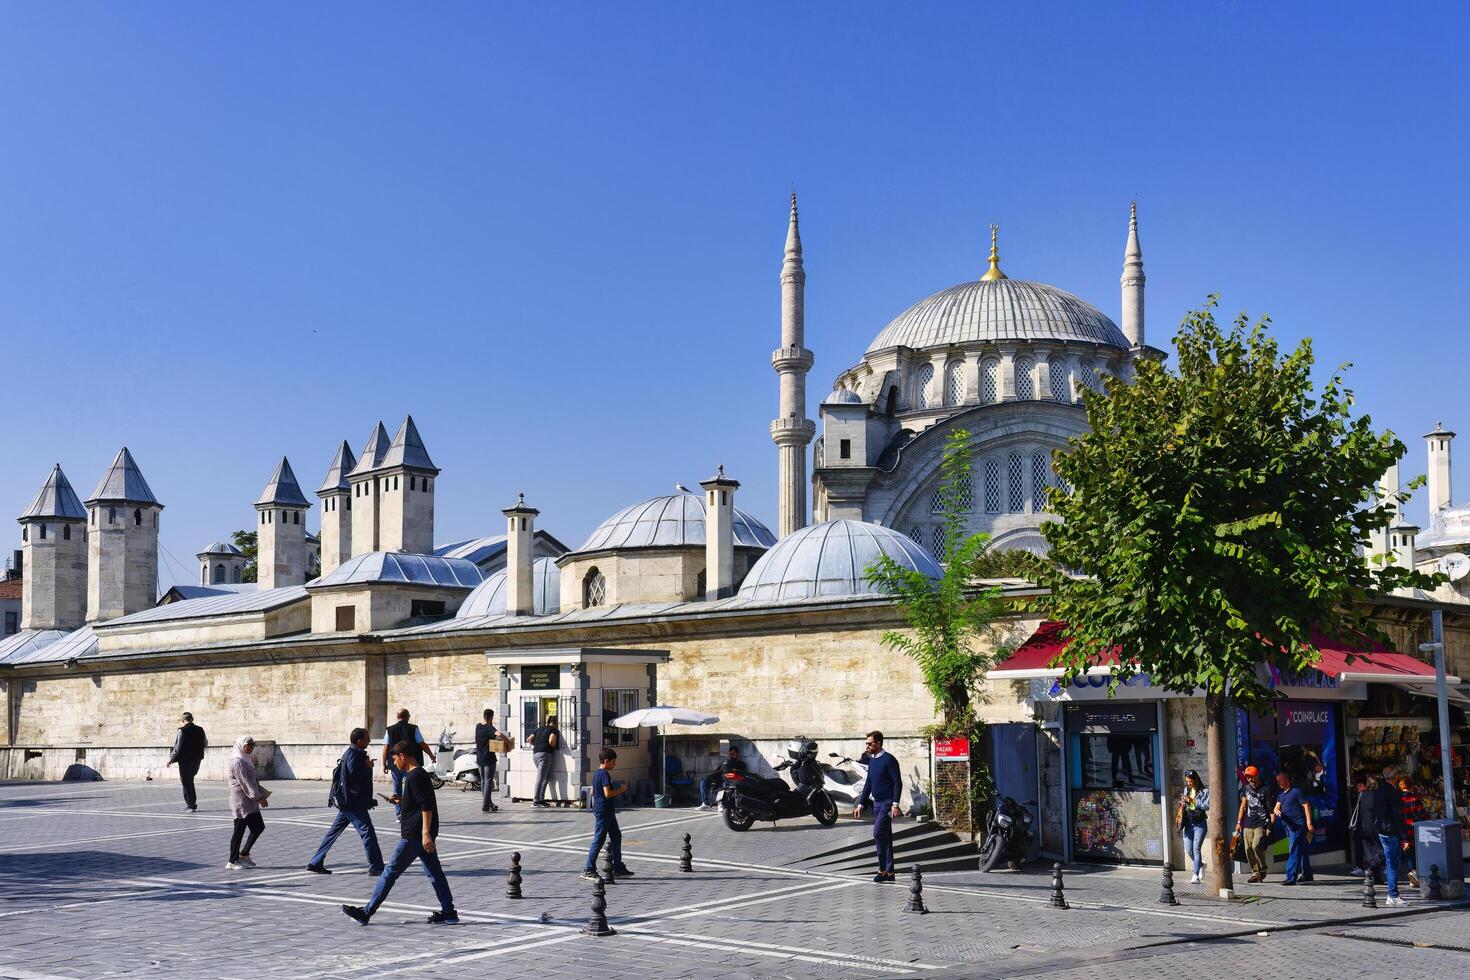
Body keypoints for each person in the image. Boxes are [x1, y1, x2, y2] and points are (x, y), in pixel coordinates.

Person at [341, 740, 458, 926]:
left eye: (395, 759)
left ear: (403, 756)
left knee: (389, 872)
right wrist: (402, 801)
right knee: (435, 873)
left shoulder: (415, 776)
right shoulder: (416, 775)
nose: (394, 764)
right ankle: (449, 912)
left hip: (414, 836)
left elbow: (427, 806)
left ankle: (367, 912)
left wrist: (425, 833)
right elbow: (418, 803)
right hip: (419, 834)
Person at [307, 728, 385, 876]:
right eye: (367, 738)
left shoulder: (353, 753)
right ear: (359, 741)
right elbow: (353, 777)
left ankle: (315, 862)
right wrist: (368, 768)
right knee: (367, 832)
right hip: (353, 803)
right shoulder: (354, 755)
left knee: (333, 832)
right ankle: (376, 866)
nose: (369, 741)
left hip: (347, 802)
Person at [853, 730, 902, 883]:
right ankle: (890, 872)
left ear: (878, 743)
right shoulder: (872, 760)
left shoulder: (889, 760)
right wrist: (861, 804)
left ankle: (882, 870)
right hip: (877, 804)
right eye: (866, 743)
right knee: (885, 837)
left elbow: (897, 782)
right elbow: (868, 783)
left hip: (887, 805)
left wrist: (895, 804)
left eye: (870, 743)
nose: (867, 746)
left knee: (877, 833)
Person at [580, 748, 634, 880]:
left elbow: (593, 792)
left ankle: (617, 867)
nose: (615, 764)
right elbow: (607, 793)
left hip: (605, 809)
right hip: (604, 810)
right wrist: (622, 789)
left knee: (616, 836)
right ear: (606, 761)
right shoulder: (604, 774)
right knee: (599, 839)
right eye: (613, 762)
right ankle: (588, 869)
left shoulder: (597, 774)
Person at [226, 736, 270, 870]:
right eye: (248, 745)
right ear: (241, 745)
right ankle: (232, 861)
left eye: (253, 744)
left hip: (249, 802)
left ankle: (244, 854)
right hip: (241, 802)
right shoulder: (237, 762)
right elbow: (245, 783)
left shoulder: (246, 759)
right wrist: (259, 797)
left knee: (258, 827)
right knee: (238, 831)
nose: (251, 747)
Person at [381, 708, 434, 814]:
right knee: (412, 787)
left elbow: (386, 748)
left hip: (395, 764)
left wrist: (384, 764)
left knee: (397, 787)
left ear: (397, 717)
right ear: (408, 717)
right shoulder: (413, 728)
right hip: (410, 764)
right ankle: (411, 810)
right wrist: (431, 755)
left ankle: (399, 812)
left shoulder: (389, 730)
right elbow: (422, 744)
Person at [1368, 774, 1408, 906]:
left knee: (1390, 862)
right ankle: (1393, 895)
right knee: (1392, 864)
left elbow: (1374, 812)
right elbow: (1398, 815)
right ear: (1395, 777)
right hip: (1391, 832)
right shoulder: (1392, 792)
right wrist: (1404, 836)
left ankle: (1393, 894)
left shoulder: (1379, 790)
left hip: (1383, 831)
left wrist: (1378, 827)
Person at [1272, 771, 1314, 885]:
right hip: (1288, 826)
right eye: (1277, 781)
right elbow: (1276, 807)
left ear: (1287, 779)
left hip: (1297, 825)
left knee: (1294, 849)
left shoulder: (1296, 792)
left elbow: (1306, 806)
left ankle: (1291, 877)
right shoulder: (1281, 795)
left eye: (1280, 780)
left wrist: (1309, 823)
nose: (1279, 783)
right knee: (1302, 848)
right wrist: (1276, 811)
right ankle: (1307, 874)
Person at [1235, 765, 1272, 882]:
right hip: (1248, 823)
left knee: (1256, 845)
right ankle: (1255, 873)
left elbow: (1270, 810)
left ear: (1257, 776)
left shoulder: (1265, 789)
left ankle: (1262, 868)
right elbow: (1243, 806)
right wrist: (1239, 822)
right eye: (1247, 777)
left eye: (1251, 777)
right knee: (1248, 849)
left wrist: (1270, 825)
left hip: (1261, 823)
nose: (1250, 779)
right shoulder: (1246, 789)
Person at [167, 712, 208, 812]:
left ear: (182, 720)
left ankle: (191, 805)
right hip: (197, 759)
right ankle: (191, 804)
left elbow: (177, 746)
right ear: (192, 719)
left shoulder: (181, 730)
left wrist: (171, 759)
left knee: (186, 782)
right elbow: (205, 743)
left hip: (185, 760)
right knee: (190, 781)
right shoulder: (200, 729)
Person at [1176, 769, 1210, 883]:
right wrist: (1183, 802)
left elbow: (1207, 806)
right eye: (1187, 781)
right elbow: (1186, 804)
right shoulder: (1187, 789)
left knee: (1196, 848)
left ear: (1196, 779)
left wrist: (1193, 801)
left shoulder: (1204, 791)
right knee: (1189, 850)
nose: (1189, 784)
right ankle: (1201, 865)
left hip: (1200, 823)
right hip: (1189, 822)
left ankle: (1195, 875)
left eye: (1190, 781)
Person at [473, 708, 507, 814]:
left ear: (483, 716)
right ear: (491, 717)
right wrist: (508, 742)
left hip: (479, 759)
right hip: (489, 758)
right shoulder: (489, 727)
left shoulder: (478, 727)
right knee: (488, 781)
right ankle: (485, 805)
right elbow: (499, 735)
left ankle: (488, 802)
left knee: (483, 781)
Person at [698, 746, 747, 811]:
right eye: (730, 754)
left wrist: (733, 769)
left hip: (729, 780)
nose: (731, 756)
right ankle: (705, 803)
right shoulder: (726, 761)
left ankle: (721, 803)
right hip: (719, 777)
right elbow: (717, 770)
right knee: (703, 782)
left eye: (733, 754)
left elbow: (742, 773)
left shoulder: (741, 763)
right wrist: (722, 769)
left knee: (724, 785)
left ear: (737, 754)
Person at [1397, 774, 1424, 889]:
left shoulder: (1397, 798)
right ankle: (1414, 873)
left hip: (1402, 829)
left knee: (1407, 852)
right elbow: (1421, 813)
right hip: (1413, 829)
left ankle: (1412, 876)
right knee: (1414, 852)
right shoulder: (1414, 798)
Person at [530, 715, 559, 807]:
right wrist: (554, 747)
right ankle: (536, 801)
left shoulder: (540, 729)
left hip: (535, 754)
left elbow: (529, 739)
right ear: (556, 723)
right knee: (541, 777)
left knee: (545, 777)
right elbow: (551, 740)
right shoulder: (553, 729)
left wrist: (537, 745)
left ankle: (541, 799)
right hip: (544, 755)